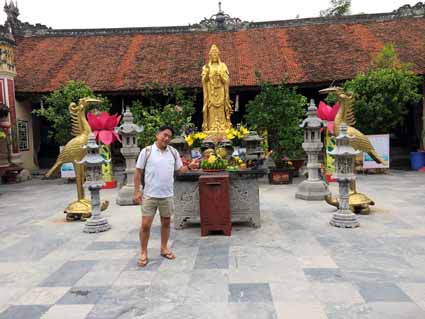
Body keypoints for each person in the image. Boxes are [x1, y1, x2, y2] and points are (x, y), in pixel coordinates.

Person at [133, 125, 190, 267]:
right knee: (145, 225)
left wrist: (190, 166)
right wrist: (137, 191)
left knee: (166, 222)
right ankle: (143, 252)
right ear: (157, 134)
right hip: (149, 195)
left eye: (169, 137)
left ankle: (164, 248)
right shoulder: (146, 152)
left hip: (167, 195)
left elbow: (179, 171)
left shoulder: (173, 152)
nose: (167, 138)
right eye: (165, 135)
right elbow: (138, 172)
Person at [202, 44, 233, 132]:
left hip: (221, 92)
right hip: (211, 92)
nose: (214, 56)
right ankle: (212, 127)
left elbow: (226, 80)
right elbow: (204, 80)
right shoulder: (206, 67)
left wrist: (220, 76)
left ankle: (222, 126)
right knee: (211, 108)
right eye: (212, 54)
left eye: (216, 54)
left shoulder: (223, 66)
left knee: (221, 108)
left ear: (218, 55)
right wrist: (207, 73)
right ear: (210, 56)